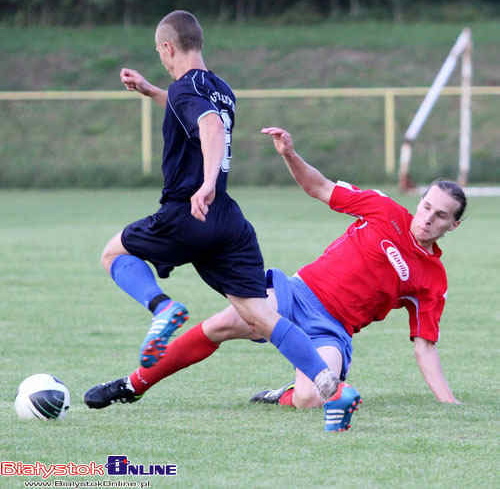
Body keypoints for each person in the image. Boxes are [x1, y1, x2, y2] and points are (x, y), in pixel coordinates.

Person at [85, 126, 465, 431]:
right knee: (222, 323)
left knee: (311, 399)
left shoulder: (433, 279)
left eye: (442, 216)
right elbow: (320, 187)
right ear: (420, 201)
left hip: (331, 329)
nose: (429, 218)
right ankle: (133, 385)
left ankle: (281, 395)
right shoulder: (384, 210)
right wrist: (290, 155)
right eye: (427, 206)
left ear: (454, 225)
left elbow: (425, 346)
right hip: (297, 293)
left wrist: (448, 403)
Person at [100, 10, 343, 416]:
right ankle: (330, 387)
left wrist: (207, 182)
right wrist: (150, 90)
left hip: (188, 210)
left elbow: (209, 127)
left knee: (113, 255)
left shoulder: (185, 89)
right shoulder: (221, 89)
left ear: (167, 47)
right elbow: (194, 112)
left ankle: (163, 308)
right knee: (260, 315)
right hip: (229, 223)